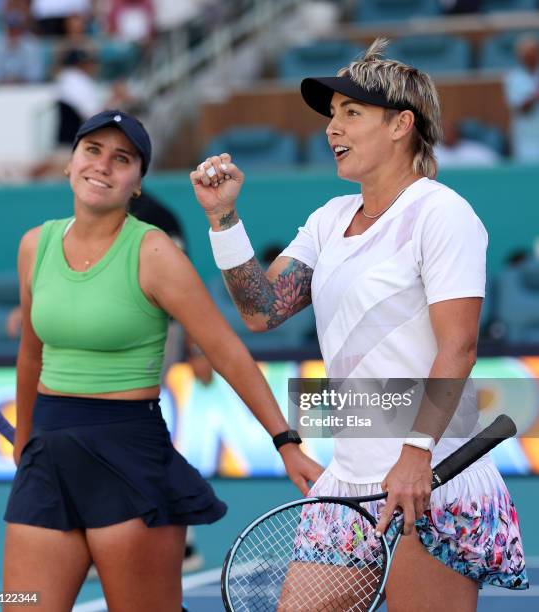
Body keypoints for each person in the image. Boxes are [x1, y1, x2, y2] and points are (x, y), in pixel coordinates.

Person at [191, 38, 528, 610]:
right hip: (347, 481)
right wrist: (223, 219)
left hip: (430, 474)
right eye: (331, 116)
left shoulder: (442, 213)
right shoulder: (329, 220)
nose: (331, 129)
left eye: (351, 113)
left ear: (401, 125)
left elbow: (460, 345)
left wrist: (416, 453)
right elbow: (262, 310)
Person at [4, 109, 322, 611]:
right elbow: (30, 357)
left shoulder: (155, 253)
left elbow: (226, 351)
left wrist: (286, 441)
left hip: (127, 461)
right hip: (47, 461)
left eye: (122, 159)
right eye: (92, 151)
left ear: (136, 185)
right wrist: (24, 449)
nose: (103, 166)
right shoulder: (33, 246)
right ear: (69, 163)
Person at [504, 34, 539, 163]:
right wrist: (535, 96)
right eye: (526, 53)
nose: (530, 56)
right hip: (526, 138)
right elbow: (521, 108)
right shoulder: (513, 78)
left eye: (533, 52)